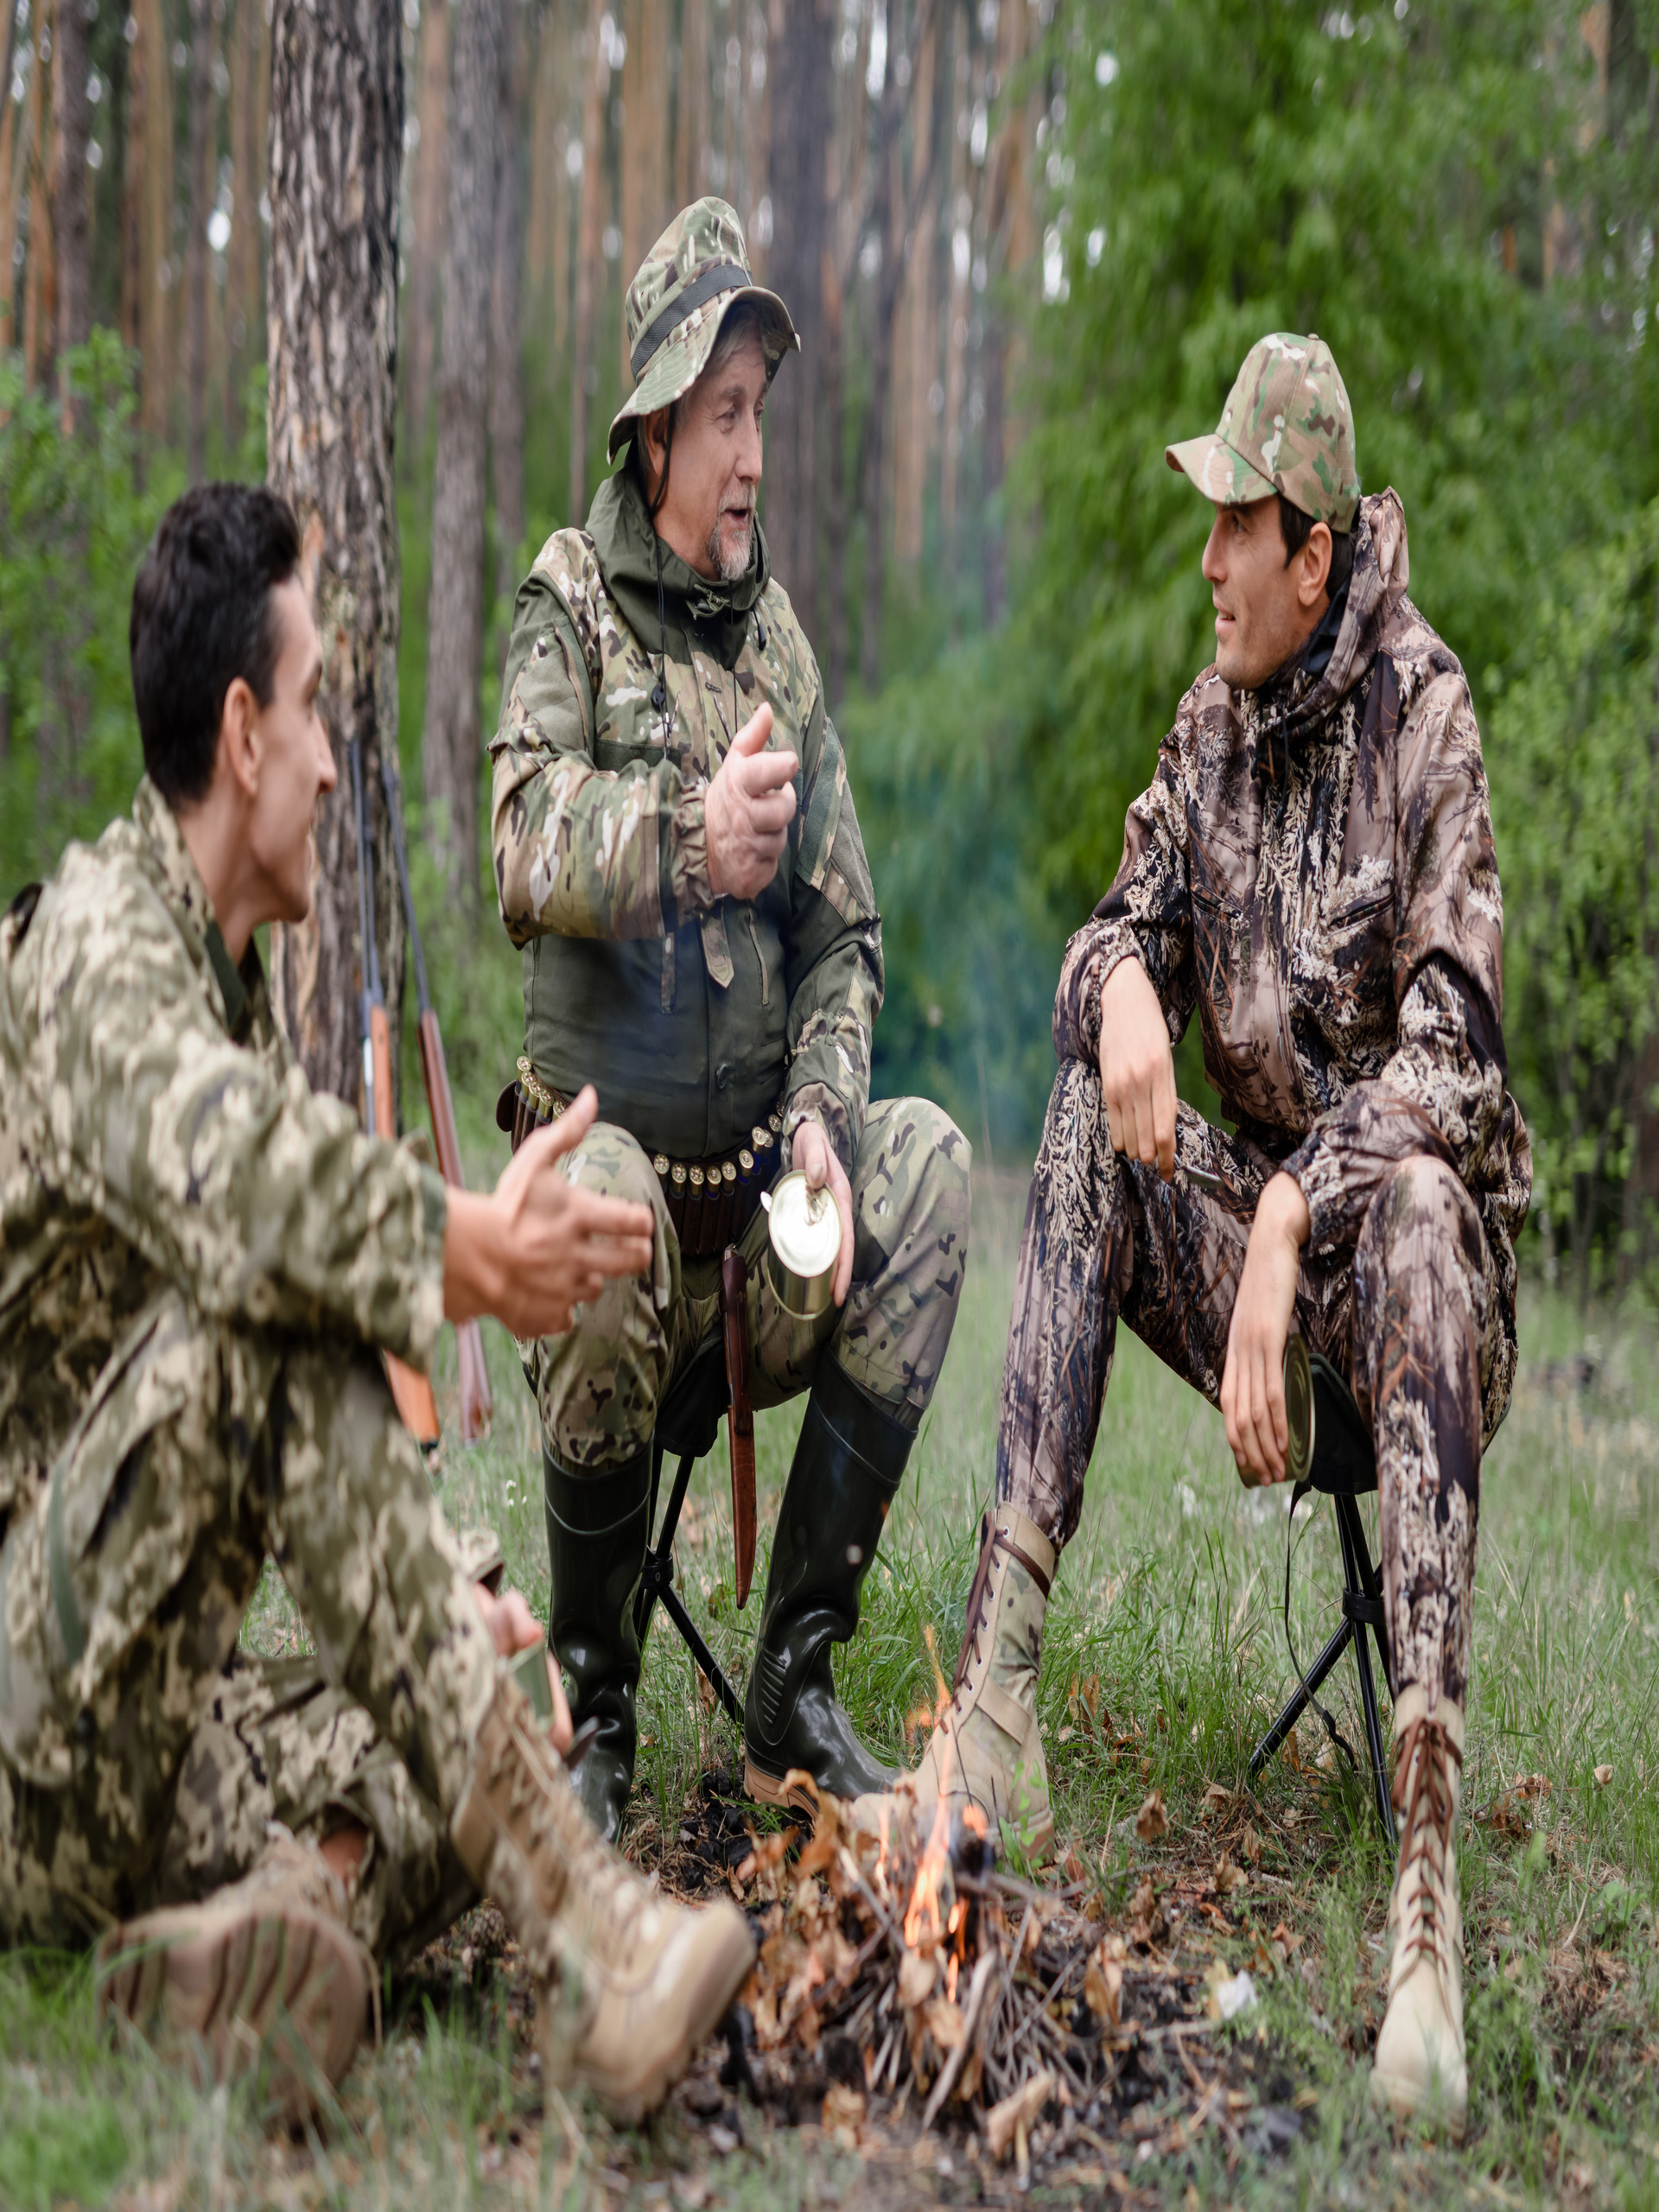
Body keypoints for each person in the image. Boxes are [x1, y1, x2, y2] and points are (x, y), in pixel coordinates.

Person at [0, 483, 753, 2118]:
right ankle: (599, 1945)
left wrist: (448, 1610)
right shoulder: (92, 955)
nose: (339, 757)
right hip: (22, 1732)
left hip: (132, 1715)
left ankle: (259, 1943)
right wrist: (462, 1246)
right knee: (273, 1311)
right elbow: (253, 1194)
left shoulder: (223, 983)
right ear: (244, 731)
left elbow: (268, 1463)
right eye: (321, 704)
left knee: (483, 1707)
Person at [864, 335, 1530, 2139]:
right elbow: (1113, 923)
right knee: (1087, 1094)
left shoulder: (1427, 716)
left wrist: (1297, 1196)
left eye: (1236, 525)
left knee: (1406, 1216)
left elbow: (1464, 1057)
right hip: (1259, 1275)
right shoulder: (1213, 719)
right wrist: (1116, 994)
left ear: (1312, 545)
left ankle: (1423, 1903)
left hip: (1405, 1293)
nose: (1209, 561)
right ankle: (996, 1688)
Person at [488, 197, 971, 1842]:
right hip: (604, 1232)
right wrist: (689, 844)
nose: (754, 454)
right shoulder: (565, 603)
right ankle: (597, 1709)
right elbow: (520, 837)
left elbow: (850, 933)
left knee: (925, 1169)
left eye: (762, 411)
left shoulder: (781, 642)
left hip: (759, 1233)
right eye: (725, 414)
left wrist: (831, 1104)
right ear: (652, 432)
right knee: (608, 1213)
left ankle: (794, 1686)